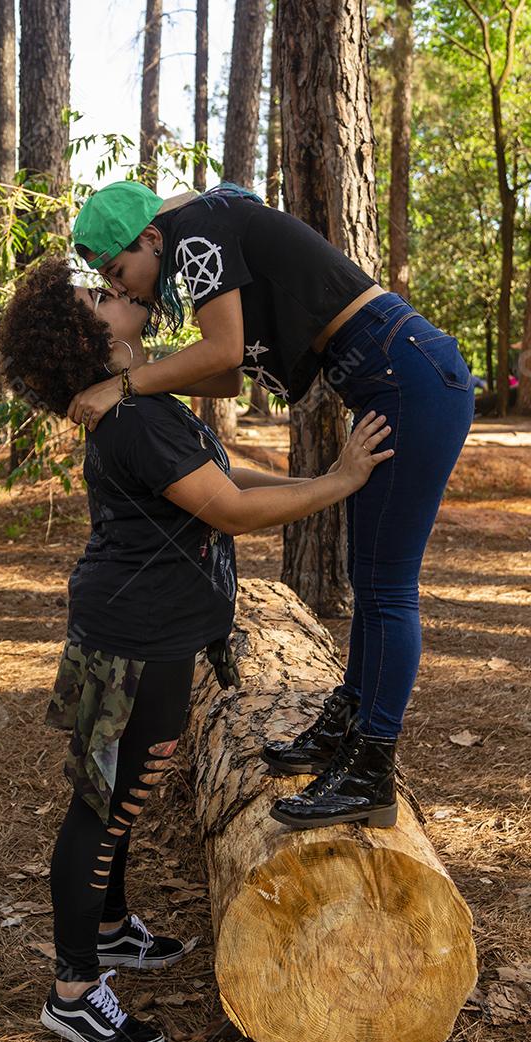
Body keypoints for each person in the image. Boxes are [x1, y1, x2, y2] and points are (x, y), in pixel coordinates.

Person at [0, 253, 393, 1042]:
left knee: (123, 794)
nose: (118, 293)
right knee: (104, 803)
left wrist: (314, 475)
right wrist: (341, 482)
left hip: (145, 634)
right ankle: (73, 991)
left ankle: (108, 929)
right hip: (130, 643)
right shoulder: (132, 420)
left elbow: (213, 477)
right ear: (84, 339)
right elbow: (233, 511)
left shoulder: (141, 404)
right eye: (98, 298)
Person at [68, 179, 476, 832]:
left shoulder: (194, 230)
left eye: (119, 272)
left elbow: (224, 352)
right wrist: (136, 388)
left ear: (149, 238)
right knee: (368, 580)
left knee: (387, 587)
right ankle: (349, 725)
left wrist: (123, 383)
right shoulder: (197, 234)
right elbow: (229, 378)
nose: (126, 290)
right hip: (390, 380)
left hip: (409, 377)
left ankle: (372, 767)